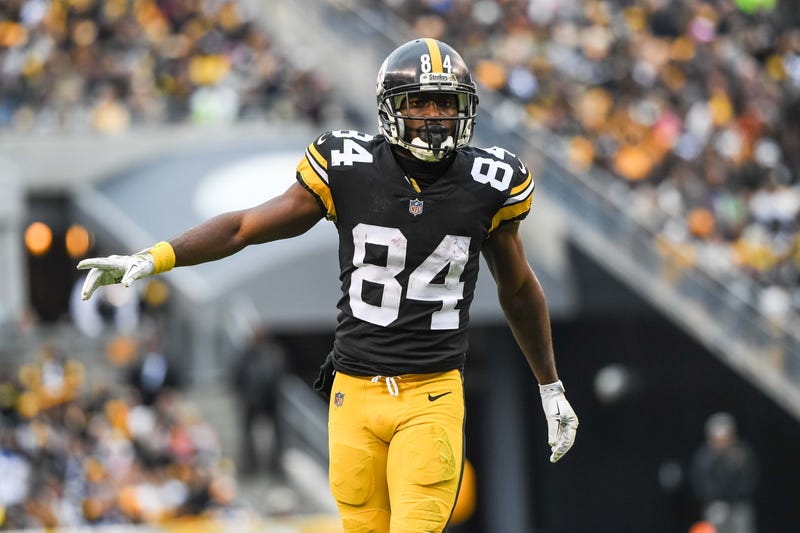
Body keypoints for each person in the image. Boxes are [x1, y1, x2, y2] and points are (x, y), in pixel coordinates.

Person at [76, 38, 578, 533]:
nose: (432, 115)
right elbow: (244, 227)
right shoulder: (348, 167)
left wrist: (549, 384)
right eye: (418, 101)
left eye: (445, 102)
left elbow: (517, 288)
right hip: (353, 396)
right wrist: (155, 256)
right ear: (389, 110)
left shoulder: (491, 183)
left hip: (431, 394)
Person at [231, 326, 289, 478]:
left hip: (271, 399)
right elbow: (237, 375)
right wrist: (244, 395)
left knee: (277, 435)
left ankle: (274, 465)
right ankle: (250, 466)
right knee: (248, 435)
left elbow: (279, 374)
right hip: (251, 399)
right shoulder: (246, 354)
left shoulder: (274, 353)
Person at [690, 412, 759, 533]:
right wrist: (717, 498)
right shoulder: (704, 456)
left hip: (739, 504)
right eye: (718, 438)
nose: (722, 442)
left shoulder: (742, 453)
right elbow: (702, 483)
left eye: (726, 437)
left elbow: (749, 479)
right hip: (716, 505)